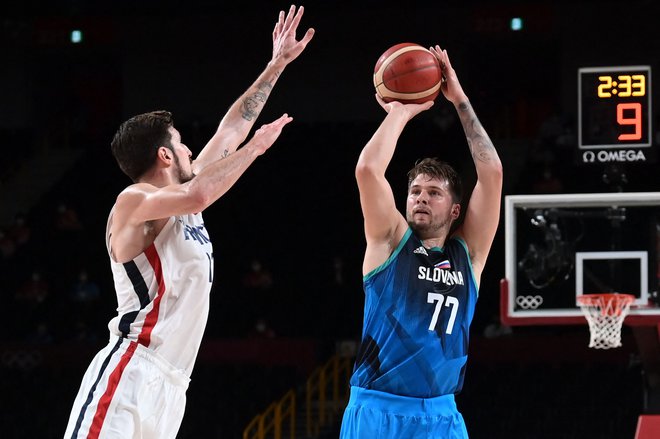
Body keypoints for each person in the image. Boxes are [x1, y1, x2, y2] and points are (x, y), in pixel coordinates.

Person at [64, 6, 314, 438]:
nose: (190, 151)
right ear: (164, 156)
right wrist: (254, 150)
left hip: (174, 385)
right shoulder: (134, 200)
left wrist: (277, 64)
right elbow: (201, 189)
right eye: (181, 145)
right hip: (130, 370)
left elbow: (232, 127)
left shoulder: (184, 195)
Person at [340, 45, 503, 438]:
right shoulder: (390, 241)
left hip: (442, 414)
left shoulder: (470, 255)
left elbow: (492, 172)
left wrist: (459, 99)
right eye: (414, 191)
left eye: (433, 192)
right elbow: (367, 170)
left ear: (455, 211)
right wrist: (401, 111)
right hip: (378, 408)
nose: (420, 198)